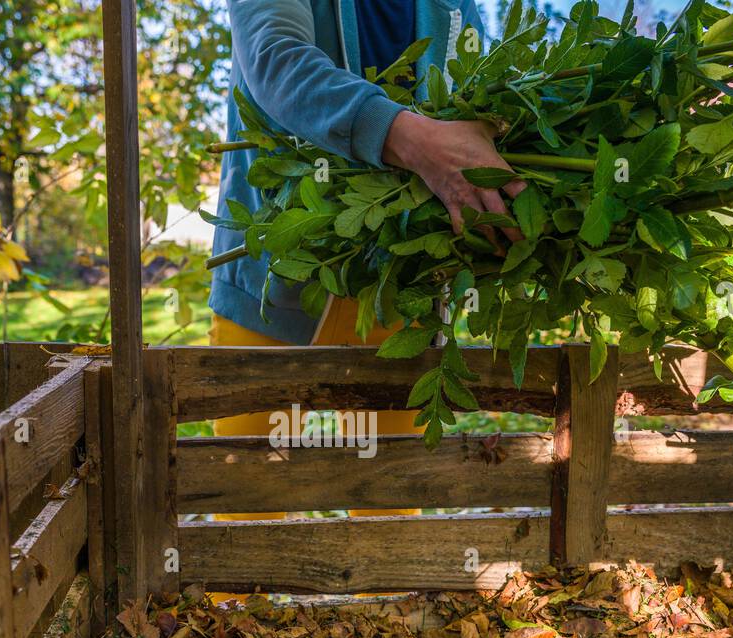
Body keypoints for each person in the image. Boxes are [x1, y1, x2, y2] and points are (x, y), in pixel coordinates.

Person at [210, 0, 525, 523]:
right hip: (275, 276)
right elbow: (277, 57)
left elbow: (475, 99)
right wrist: (414, 141)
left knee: (390, 525)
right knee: (245, 516)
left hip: (402, 284)